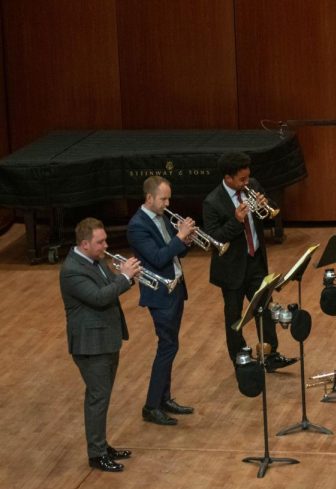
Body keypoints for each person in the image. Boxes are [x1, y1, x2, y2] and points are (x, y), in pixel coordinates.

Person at [202, 152, 296, 371]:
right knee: (234, 317)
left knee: (264, 308)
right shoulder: (212, 202)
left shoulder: (251, 184)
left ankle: (269, 355)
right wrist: (237, 220)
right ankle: (240, 360)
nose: (247, 183)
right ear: (228, 178)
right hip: (232, 269)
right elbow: (215, 238)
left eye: (247, 178)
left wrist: (266, 203)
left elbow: (269, 209)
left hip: (255, 261)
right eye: (241, 180)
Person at [60, 218, 140, 472]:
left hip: (106, 339)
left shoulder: (96, 260)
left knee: (102, 396)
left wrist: (126, 278)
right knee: (97, 398)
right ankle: (96, 454)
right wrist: (125, 277)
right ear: (84, 244)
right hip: (90, 345)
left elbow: (109, 289)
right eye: (100, 242)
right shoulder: (72, 270)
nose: (106, 245)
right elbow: (98, 297)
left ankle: (102, 445)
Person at [126, 176, 195, 426]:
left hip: (175, 289)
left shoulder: (161, 216)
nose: (168, 203)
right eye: (163, 199)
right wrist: (180, 237)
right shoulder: (137, 226)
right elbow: (157, 257)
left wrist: (185, 240)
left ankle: (164, 399)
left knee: (171, 345)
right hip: (160, 295)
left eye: (169, 198)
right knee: (167, 347)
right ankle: (151, 405)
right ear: (149, 198)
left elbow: (176, 252)